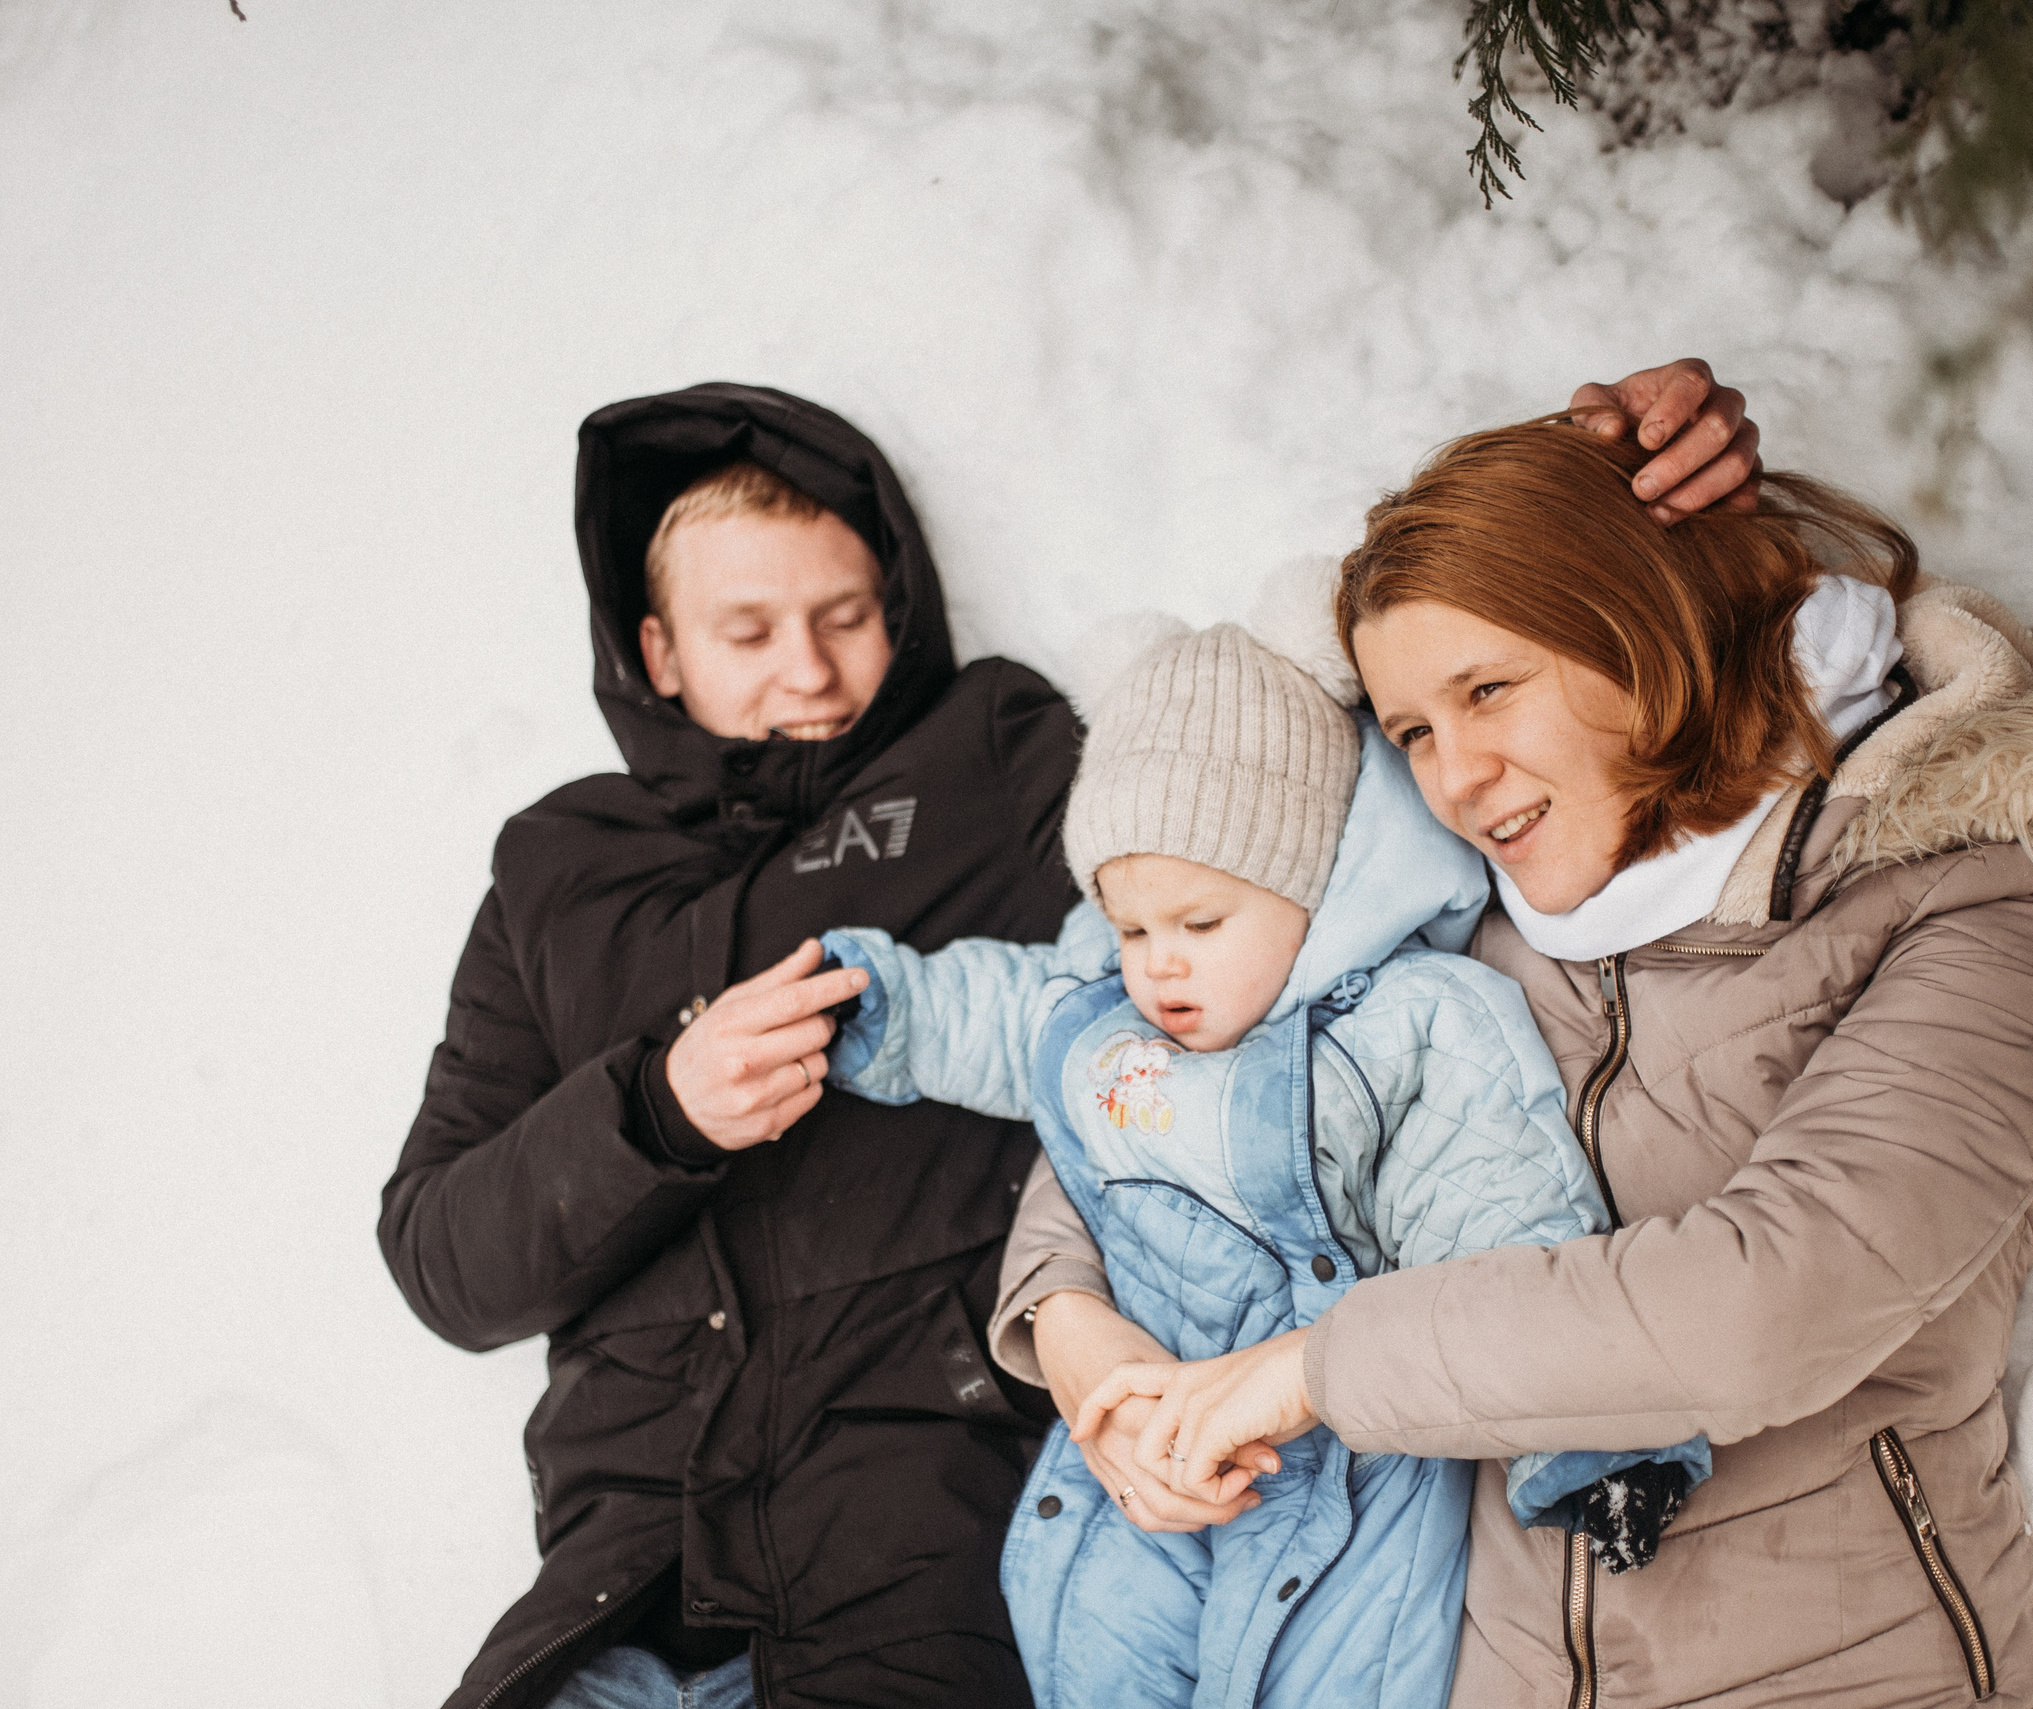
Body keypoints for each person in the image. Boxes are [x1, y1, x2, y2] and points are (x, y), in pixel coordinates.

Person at [379, 370, 1763, 1709]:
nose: (810, 671)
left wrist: (1602, 486)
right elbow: (447, 1263)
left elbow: (1268, 767)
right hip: (624, 1571)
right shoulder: (560, 867)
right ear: (657, 647)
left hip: (915, 1536)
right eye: (748, 635)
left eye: (848, 616)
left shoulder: (996, 759)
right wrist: (656, 1110)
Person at [1018, 424, 2033, 1708]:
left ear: (1637, 626)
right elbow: (1193, 1074)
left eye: (1489, 690)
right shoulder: (1452, 896)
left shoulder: (1985, 883)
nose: (1458, 778)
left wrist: (1314, 1369)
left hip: (1827, 1666)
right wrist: (1064, 1313)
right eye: (1414, 729)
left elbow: (1775, 1300)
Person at [815, 622, 1713, 1709]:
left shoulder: (1407, 1025)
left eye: (1201, 919)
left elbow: (1502, 1210)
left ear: (1314, 892)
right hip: (1142, 1447)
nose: (1162, 962)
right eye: (1132, 925)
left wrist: (1591, 1444)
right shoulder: (1109, 1017)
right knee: (1099, 1648)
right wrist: (888, 1007)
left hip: (1345, 1466)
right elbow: (1006, 1012)